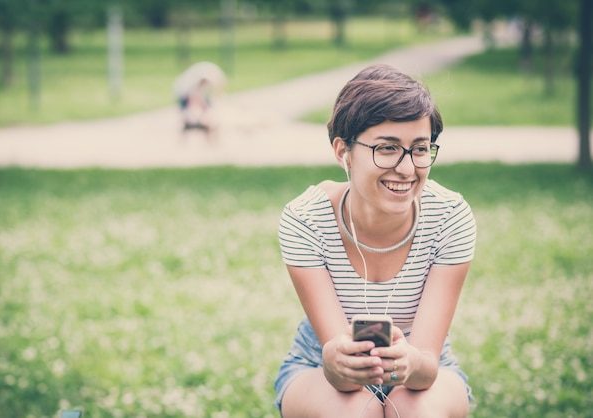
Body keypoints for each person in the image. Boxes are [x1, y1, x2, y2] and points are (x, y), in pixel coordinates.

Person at [274, 64, 477, 418]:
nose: (407, 169)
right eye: (387, 148)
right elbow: (343, 379)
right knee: (356, 412)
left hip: (423, 366)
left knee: (417, 412)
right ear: (343, 152)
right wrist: (339, 361)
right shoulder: (306, 220)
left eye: (419, 148)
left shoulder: (450, 217)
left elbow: (427, 365)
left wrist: (409, 362)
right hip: (319, 367)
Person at [173, 61, 226, 143]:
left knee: (207, 111)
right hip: (184, 91)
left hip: (196, 87)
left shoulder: (213, 76)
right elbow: (193, 99)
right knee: (188, 113)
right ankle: (184, 136)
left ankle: (209, 136)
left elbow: (216, 93)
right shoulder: (189, 85)